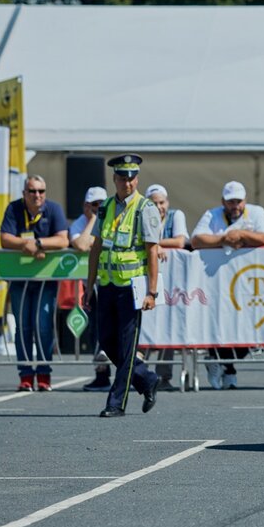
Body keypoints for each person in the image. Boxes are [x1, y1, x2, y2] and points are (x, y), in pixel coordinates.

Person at [80, 154, 162, 417]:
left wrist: (152, 292)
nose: (128, 183)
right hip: (107, 284)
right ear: (114, 179)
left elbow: (152, 251)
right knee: (106, 341)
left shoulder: (144, 208)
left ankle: (116, 403)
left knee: (127, 348)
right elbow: (96, 248)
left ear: (136, 179)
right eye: (123, 178)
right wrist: (89, 286)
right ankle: (146, 379)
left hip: (132, 287)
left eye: (132, 178)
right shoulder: (105, 206)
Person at [191, 180, 264, 389]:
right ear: (223, 202)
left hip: (249, 282)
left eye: (238, 201)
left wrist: (242, 234)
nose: (235, 205)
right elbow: (196, 240)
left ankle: (221, 363)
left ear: (245, 200)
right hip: (217, 281)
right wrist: (224, 239)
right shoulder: (212, 214)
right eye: (230, 201)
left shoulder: (256, 212)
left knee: (250, 327)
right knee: (219, 322)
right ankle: (228, 370)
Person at [0, 175, 69, 391]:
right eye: (32, 191)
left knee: (43, 326)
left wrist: (38, 243)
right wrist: (24, 244)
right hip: (20, 280)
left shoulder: (54, 209)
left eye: (41, 191)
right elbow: (5, 238)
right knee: (23, 328)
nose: (37, 195)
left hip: (45, 280)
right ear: (24, 193)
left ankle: (44, 373)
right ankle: (26, 375)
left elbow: (63, 239)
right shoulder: (14, 208)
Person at [143, 184, 189, 390]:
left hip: (171, 281)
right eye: (154, 203)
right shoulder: (141, 217)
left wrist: (154, 244)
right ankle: (141, 374)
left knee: (167, 323)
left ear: (167, 203)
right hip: (146, 279)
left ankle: (164, 376)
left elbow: (180, 241)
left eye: (162, 202)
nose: (159, 207)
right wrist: (155, 246)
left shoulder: (175, 215)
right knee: (143, 325)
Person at [68, 186, 113, 392]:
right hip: (92, 285)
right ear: (86, 206)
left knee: (116, 327)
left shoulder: (114, 219)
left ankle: (131, 375)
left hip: (114, 280)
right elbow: (81, 245)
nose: (99, 208)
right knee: (95, 327)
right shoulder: (80, 223)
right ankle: (102, 376)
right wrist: (95, 219)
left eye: (102, 204)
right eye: (95, 205)